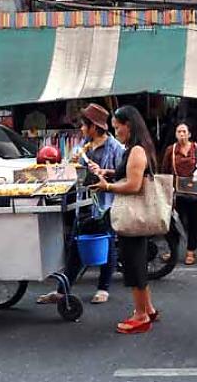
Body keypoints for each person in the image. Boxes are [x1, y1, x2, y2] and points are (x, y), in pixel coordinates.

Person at [37, 103, 124, 305]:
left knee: (107, 243)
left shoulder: (115, 148)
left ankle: (103, 288)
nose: (82, 130)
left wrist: (103, 173)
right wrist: (74, 163)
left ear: (95, 126)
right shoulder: (83, 146)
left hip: (105, 204)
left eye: (85, 125)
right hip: (82, 203)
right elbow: (71, 173)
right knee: (75, 245)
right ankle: (62, 290)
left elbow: (122, 176)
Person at [93, 105, 158, 334]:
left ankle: (140, 316)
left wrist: (107, 186)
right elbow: (128, 175)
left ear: (128, 125)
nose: (115, 132)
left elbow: (134, 185)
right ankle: (147, 308)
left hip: (133, 217)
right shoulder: (137, 148)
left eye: (117, 127)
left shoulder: (136, 150)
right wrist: (110, 173)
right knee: (137, 261)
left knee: (133, 264)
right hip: (135, 218)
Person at [161, 122, 197, 265]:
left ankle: (191, 252)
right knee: (175, 223)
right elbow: (165, 169)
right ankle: (173, 251)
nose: (182, 134)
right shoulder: (171, 149)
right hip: (177, 192)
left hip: (195, 193)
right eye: (179, 132)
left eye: (184, 132)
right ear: (176, 134)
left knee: (194, 223)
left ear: (189, 134)